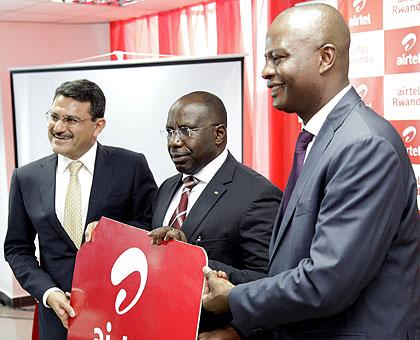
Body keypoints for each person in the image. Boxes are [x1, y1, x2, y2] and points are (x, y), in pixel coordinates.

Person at [201, 4, 420, 340]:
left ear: (325, 58)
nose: (264, 71)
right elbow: (292, 264)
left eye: (278, 57)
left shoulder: (364, 145)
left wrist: (234, 300)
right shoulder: (320, 139)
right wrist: (238, 319)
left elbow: (328, 281)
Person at [4, 79, 157, 340]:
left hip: (120, 307)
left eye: (72, 120)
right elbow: (17, 249)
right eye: (54, 117)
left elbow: (152, 227)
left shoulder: (130, 166)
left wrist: (114, 233)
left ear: (98, 126)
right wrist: (47, 293)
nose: (58, 128)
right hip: (56, 316)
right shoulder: (26, 177)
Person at [147, 91, 283, 334]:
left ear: (219, 134)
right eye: (170, 131)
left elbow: (270, 282)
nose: (174, 142)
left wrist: (237, 332)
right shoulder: (167, 187)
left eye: (186, 130)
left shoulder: (257, 194)